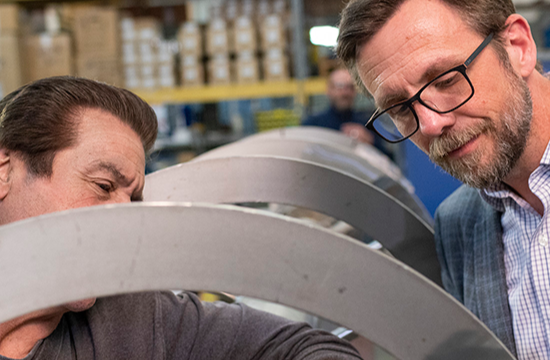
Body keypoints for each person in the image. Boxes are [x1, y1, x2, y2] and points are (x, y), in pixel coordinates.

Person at [0, 76, 362, 360]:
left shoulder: (132, 319)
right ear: (5, 172)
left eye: (133, 198)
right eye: (103, 185)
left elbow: (304, 346)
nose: (124, 217)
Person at [337, 0, 550, 358]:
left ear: (518, 47)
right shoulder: (457, 227)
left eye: (447, 79)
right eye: (401, 109)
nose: (431, 125)